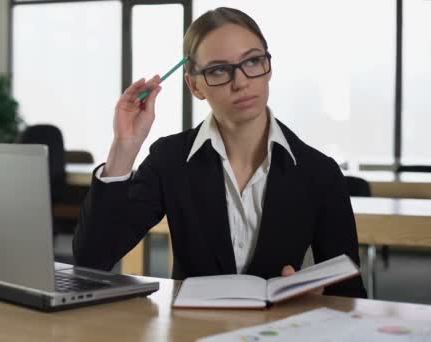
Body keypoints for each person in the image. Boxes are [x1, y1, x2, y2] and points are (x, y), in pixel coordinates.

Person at [73, 7, 367, 298]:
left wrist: (315, 298)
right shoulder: (170, 160)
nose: (240, 82)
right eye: (218, 70)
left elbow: (349, 295)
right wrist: (125, 147)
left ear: (269, 68)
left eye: (252, 61)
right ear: (195, 85)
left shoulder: (319, 172)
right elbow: (92, 259)